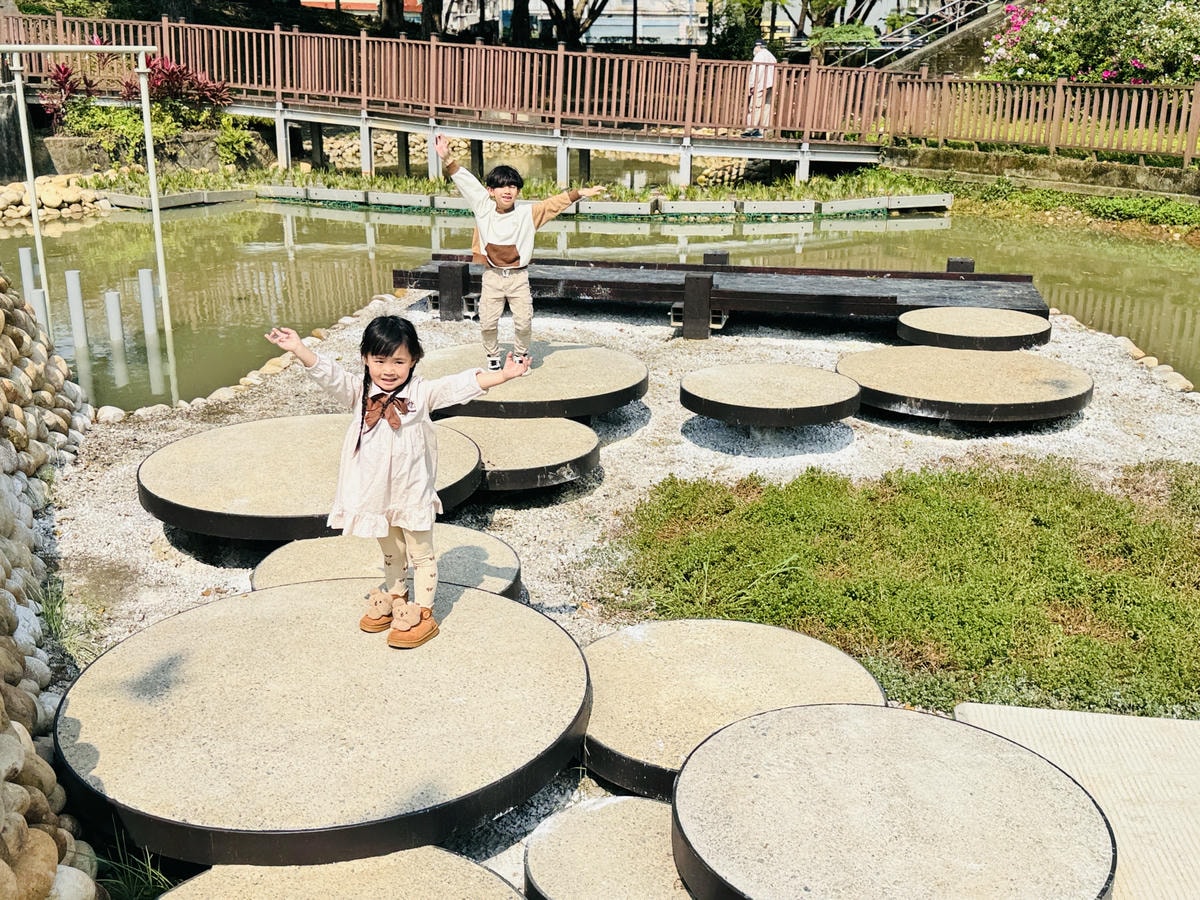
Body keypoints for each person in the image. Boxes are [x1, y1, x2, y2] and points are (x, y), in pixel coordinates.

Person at [265, 316, 528, 649]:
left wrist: (503, 375)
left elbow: (459, 384)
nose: (388, 370)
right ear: (365, 358)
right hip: (376, 493)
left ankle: (424, 612)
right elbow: (328, 373)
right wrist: (299, 348)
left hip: (411, 490)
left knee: (420, 553)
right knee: (390, 549)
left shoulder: (421, 392)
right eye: (380, 361)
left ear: (414, 359)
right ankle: (397, 596)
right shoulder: (358, 392)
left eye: (399, 361)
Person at [434, 134, 606, 373]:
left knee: (524, 321)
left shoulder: (527, 214)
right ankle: (492, 356)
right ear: (491, 190)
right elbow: (467, 182)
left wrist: (580, 193)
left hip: (518, 277)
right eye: (502, 186)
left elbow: (553, 204)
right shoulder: (483, 207)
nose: (508, 191)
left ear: (518, 191)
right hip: (493, 276)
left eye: (513, 186)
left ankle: (520, 356)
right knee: (487, 322)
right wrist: (447, 159)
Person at [743, 39, 777, 138]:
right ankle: (762, 131)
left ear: (758, 46)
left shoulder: (759, 56)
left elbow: (756, 71)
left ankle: (750, 129)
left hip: (760, 84)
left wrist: (752, 85)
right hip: (770, 84)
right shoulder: (772, 56)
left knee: (755, 106)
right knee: (766, 107)